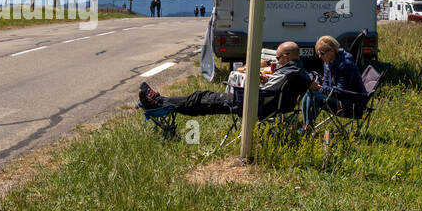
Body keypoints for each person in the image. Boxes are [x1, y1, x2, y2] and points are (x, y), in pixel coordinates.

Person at [139, 41, 314, 120]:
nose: (276, 60)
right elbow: (273, 88)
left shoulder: (287, 72)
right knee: (200, 97)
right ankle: (159, 100)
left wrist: (247, 83)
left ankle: (158, 103)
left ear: (288, 56)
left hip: (248, 104)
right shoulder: (298, 69)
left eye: (278, 57)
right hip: (265, 104)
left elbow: (264, 91)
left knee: (200, 100)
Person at [301, 35, 369, 131]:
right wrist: (320, 87)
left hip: (350, 104)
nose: (319, 56)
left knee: (314, 96)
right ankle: (307, 126)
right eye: (318, 53)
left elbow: (341, 92)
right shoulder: (328, 63)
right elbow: (326, 84)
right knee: (308, 92)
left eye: (322, 53)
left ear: (332, 50)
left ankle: (307, 128)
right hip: (337, 97)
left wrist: (320, 88)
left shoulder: (345, 65)